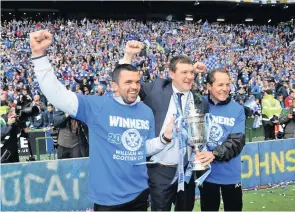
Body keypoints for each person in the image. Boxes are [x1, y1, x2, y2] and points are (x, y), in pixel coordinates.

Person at [30, 30, 174, 211]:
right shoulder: (96, 106)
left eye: (137, 82)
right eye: (128, 82)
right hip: (107, 199)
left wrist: (164, 139)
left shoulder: (145, 112)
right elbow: (56, 94)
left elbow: (143, 148)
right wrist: (39, 56)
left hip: (140, 194)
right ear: (114, 86)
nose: (134, 87)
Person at [120, 40, 209, 211]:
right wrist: (129, 56)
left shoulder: (199, 101)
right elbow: (127, 82)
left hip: (187, 171)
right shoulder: (157, 89)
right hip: (160, 171)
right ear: (171, 74)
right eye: (184, 72)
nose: (190, 76)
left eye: (191, 72)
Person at [197, 68, 246, 211]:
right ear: (208, 86)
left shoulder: (237, 109)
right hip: (206, 175)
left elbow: (237, 142)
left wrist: (213, 154)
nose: (225, 89)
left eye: (227, 85)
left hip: (230, 175)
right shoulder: (198, 103)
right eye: (220, 85)